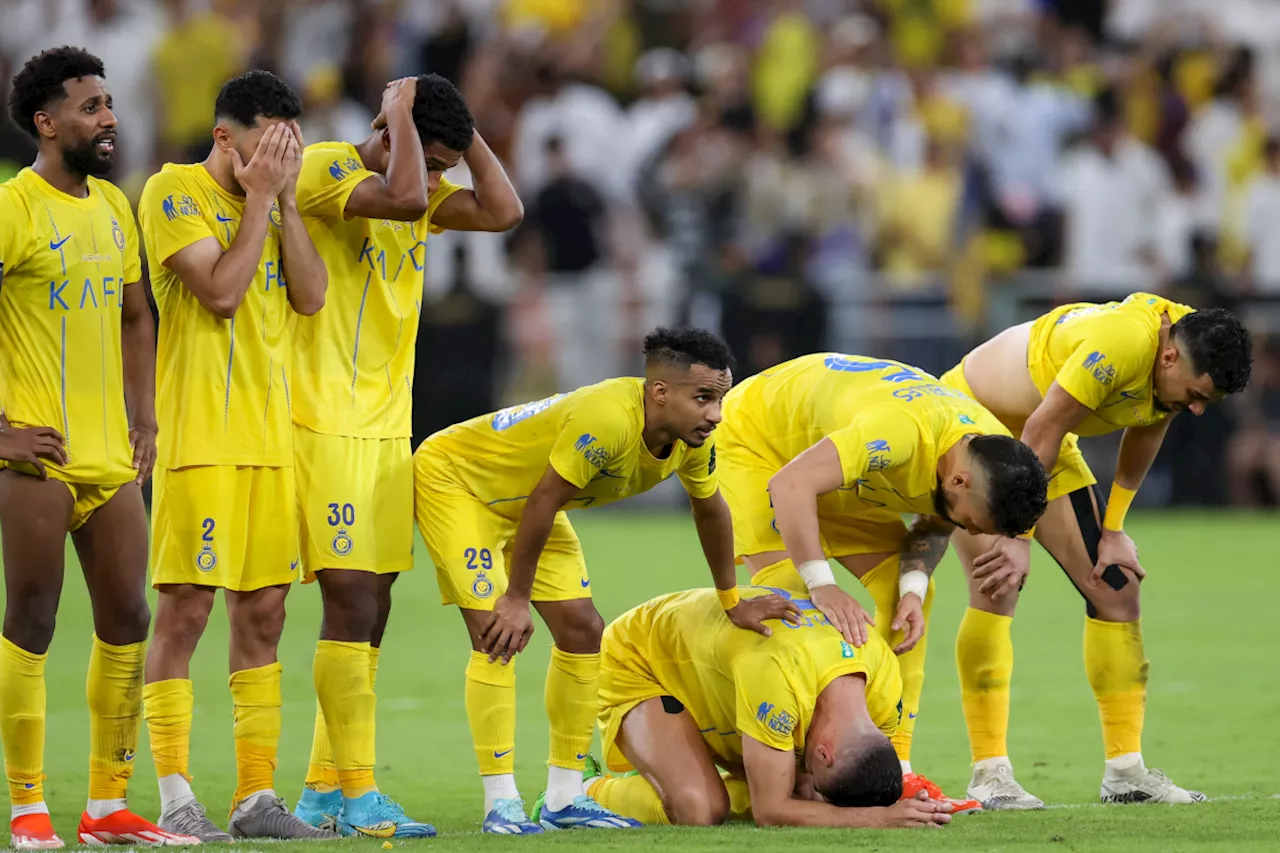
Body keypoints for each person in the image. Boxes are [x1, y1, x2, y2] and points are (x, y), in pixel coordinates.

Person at [414, 327, 791, 833]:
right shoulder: (609, 418)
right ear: (660, 392)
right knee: (496, 633)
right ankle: (499, 803)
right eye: (703, 398)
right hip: (459, 483)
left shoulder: (693, 440)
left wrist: (731, 599)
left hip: (527, 505)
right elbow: (545, 501)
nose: (715, 414)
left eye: (720, 398)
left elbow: (712, 512)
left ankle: (565, 796)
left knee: (582, 629)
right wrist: (516, 597)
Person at [288, 73, 522, 838]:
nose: (446, 175)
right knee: (351, 598)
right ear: (390, 134)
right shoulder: (328, 168)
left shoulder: (419, 193)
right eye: (438, 156)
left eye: (452, 161)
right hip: (323, 423)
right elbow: (409, 197)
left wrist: (464, 126)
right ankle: (356, 794)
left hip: (388, 432)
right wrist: (400, 114)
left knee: (374, 606)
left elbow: (505, 209)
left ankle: (324, 791)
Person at [940, 293, 1252, 807]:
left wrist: (1114, 528)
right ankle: (989, 774)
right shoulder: (1123, 341)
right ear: (1170, 357)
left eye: (1207, 402)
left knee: (1116, 588)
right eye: (1197, 395)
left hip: (1042, 437)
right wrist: (1017, 539)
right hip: (972, 425)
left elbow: (1146, 427)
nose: (1197, 408)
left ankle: (1125, 771)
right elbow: (1040, 428)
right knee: (998, 584)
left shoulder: (1181, 346)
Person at [0, 45, 195, 850]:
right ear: (46, 123)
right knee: (35, 619)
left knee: (127, 614)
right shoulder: (14, 208)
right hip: (34, 453)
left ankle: (106, 806)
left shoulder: (116, 208)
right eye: (90, 106)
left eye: (109, 103)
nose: (108, 118)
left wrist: (142, 415)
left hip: (108, 453)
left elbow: (136, 316)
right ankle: (27, 808)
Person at [716, 352, 1049, 813]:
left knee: (906, 597)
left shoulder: (980, 451)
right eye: (972, 524)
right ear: (958, 478)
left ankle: (900, 769)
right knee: (794, 604)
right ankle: (791, 766)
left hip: (830, 454)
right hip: (758, 442)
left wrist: (911, 589)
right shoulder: (898, 434)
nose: (968, 534)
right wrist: (822, 584)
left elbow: (934, 523)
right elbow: (791, 485)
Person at [136, 70, 333, 841]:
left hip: (270, 443)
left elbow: (311, 297)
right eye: (269, 145)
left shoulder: (276, 201)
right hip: (201, 441)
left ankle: (256, 798)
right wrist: (259, 199)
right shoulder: (172, 190)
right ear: (226, 137)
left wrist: (283, 200)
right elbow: (219, 292)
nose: (283, 158)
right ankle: (178, 795)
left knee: (266, 614)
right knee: (184, 612)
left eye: (293, 146)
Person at [585, 581, 953, 829]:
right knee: (699, 808)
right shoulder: (777, 678)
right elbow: (770, 811)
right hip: (639, 657)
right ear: (824, 753)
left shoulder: (885, 688)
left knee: (803, 794)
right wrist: (878, 819)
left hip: (713, 666)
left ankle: (672, 765)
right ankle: (588, 791)